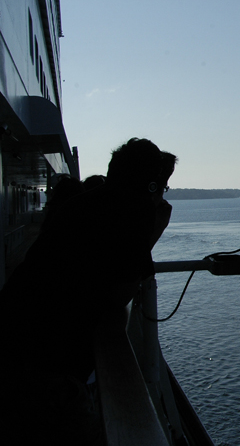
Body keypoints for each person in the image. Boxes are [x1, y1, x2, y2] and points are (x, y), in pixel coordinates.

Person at [0, 138, 176, 445]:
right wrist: (154, 230)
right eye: (161, 186)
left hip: (15, 339)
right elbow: (119, 294)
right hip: (45, 363)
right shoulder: (134, 212)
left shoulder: (85, 203)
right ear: (150, 186)